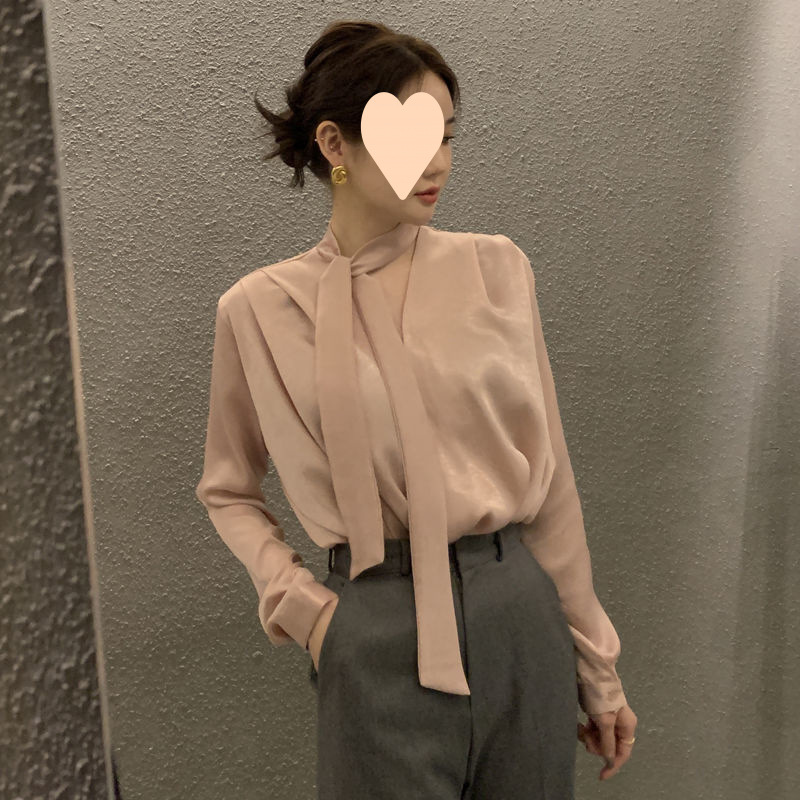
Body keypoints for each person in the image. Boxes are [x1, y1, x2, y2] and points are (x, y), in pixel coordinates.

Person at [195, 18, 637, 799]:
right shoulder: (259, 310)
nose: (437, 163)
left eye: (446, 136)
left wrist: (597, 668)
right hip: (373, 631)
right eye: (414, 137)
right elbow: (228, 488)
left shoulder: (496, 270)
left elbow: (552, 486)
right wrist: (309, 614)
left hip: (518, 617)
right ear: (335, 143)